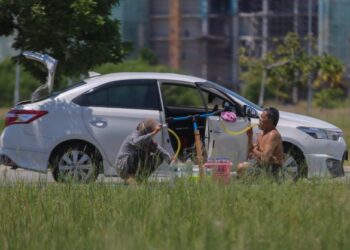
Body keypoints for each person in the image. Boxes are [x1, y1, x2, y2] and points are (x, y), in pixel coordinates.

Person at [115, 118, 173, 184]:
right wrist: (153, 133)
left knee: (159, 156)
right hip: (123, 166)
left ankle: (141, 178)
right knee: (137, 154)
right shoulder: (134, 135)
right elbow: (136, 142)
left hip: (132, 165)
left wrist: (171, 161)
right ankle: (130, 177)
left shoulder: (149, 141)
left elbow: (161, 151)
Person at [237, 107, 284, 179]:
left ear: (270, 121)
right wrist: (250, 136)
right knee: (242, 166)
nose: (259, 119)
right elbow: (249, 153)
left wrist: (255, 150)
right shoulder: (262, 134)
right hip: (260, 167)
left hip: (271, 170)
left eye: (262, 117)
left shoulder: (273, 135)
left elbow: (264, 159)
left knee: (241, 167)